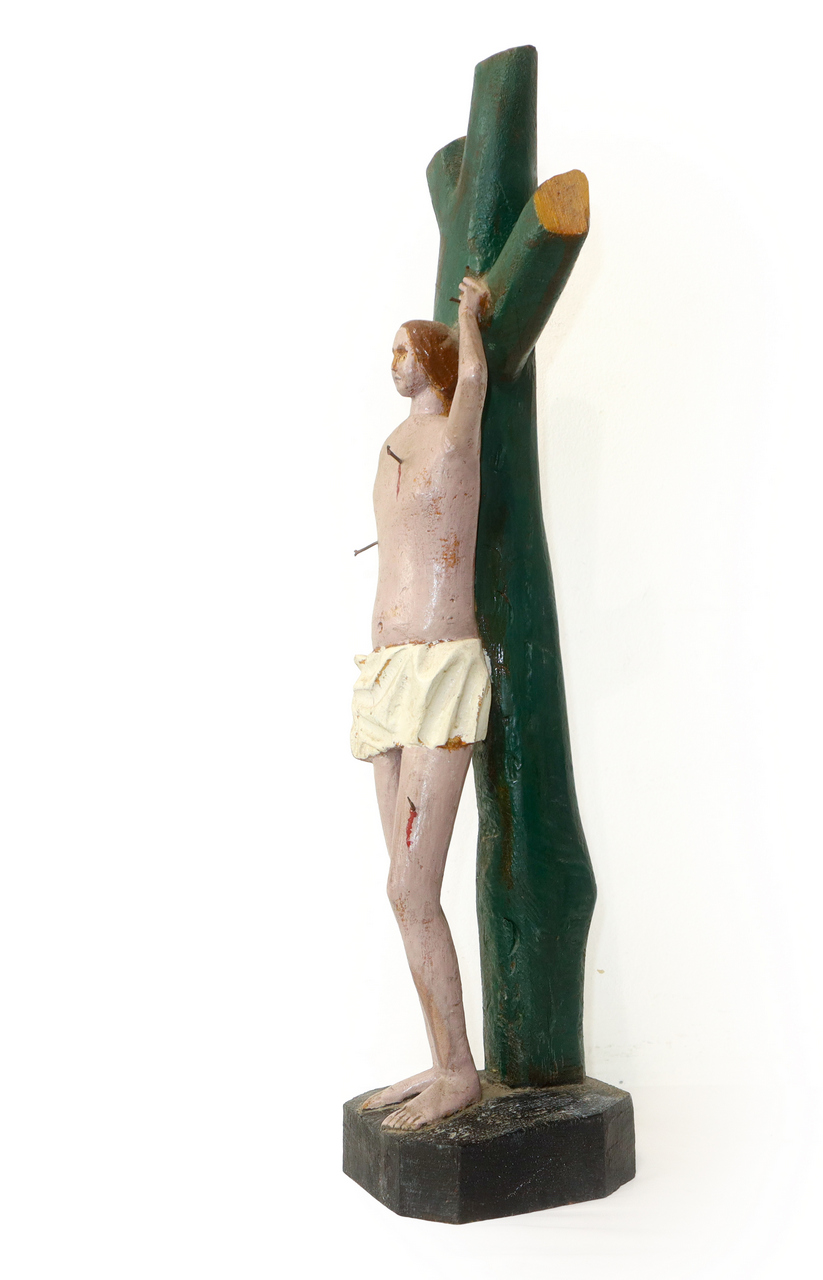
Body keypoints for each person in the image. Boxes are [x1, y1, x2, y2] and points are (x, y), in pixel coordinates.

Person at [349, 276, 491, 1130]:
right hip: (388, 672)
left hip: (440, 666)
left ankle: (458, 1071)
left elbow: (473, 380)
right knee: (401, 889)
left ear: (430, 359)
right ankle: (442, 1059)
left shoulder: (452, 434)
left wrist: (468, 316)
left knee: (413, 885)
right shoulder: (392, 444)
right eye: (391, 350)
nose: (394, 362)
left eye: (405, 349)